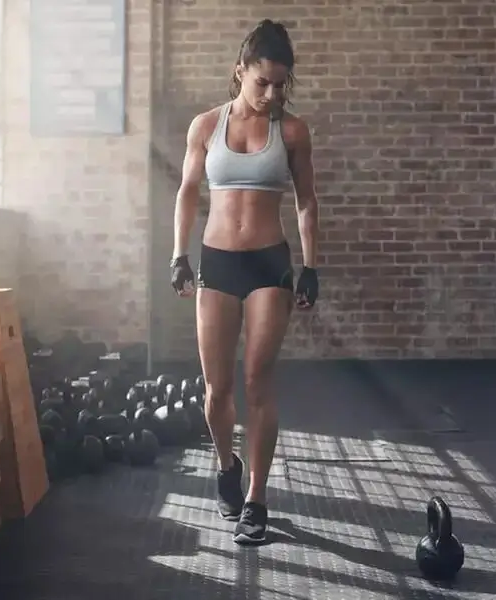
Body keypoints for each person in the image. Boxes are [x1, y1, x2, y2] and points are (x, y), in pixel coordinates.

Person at [169, 19, 319, 545]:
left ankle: (256, 497)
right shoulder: (205, 126)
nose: (273, 94)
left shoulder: (293, 132)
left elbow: (305, 202)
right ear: (241, 73)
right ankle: (226, 466)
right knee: (216, 391)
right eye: (263, 83)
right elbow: (188, 192)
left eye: (282, 84)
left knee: (258, 383)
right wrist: (178, 256)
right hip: (216, 264)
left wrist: (311, 266)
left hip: (268, 267)